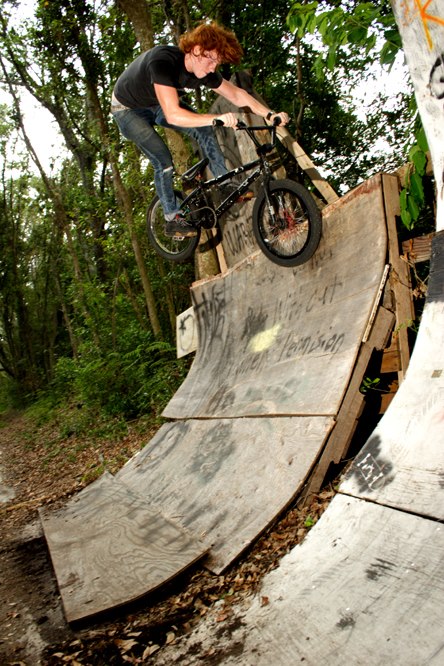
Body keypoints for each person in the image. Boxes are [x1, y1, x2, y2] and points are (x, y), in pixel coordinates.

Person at [111, 21, 289, 238]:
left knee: (204, 130)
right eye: (211, 59)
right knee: (163, 160)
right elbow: (173, 114)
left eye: (218, 61)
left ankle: (224, 183)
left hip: (155, 104)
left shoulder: (205, 72)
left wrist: (269, 114)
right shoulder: (162, 62)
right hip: (127, 110)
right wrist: (217, 118)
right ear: (196, 50)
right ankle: (172, 218)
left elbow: (237, 94)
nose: (213, 67)